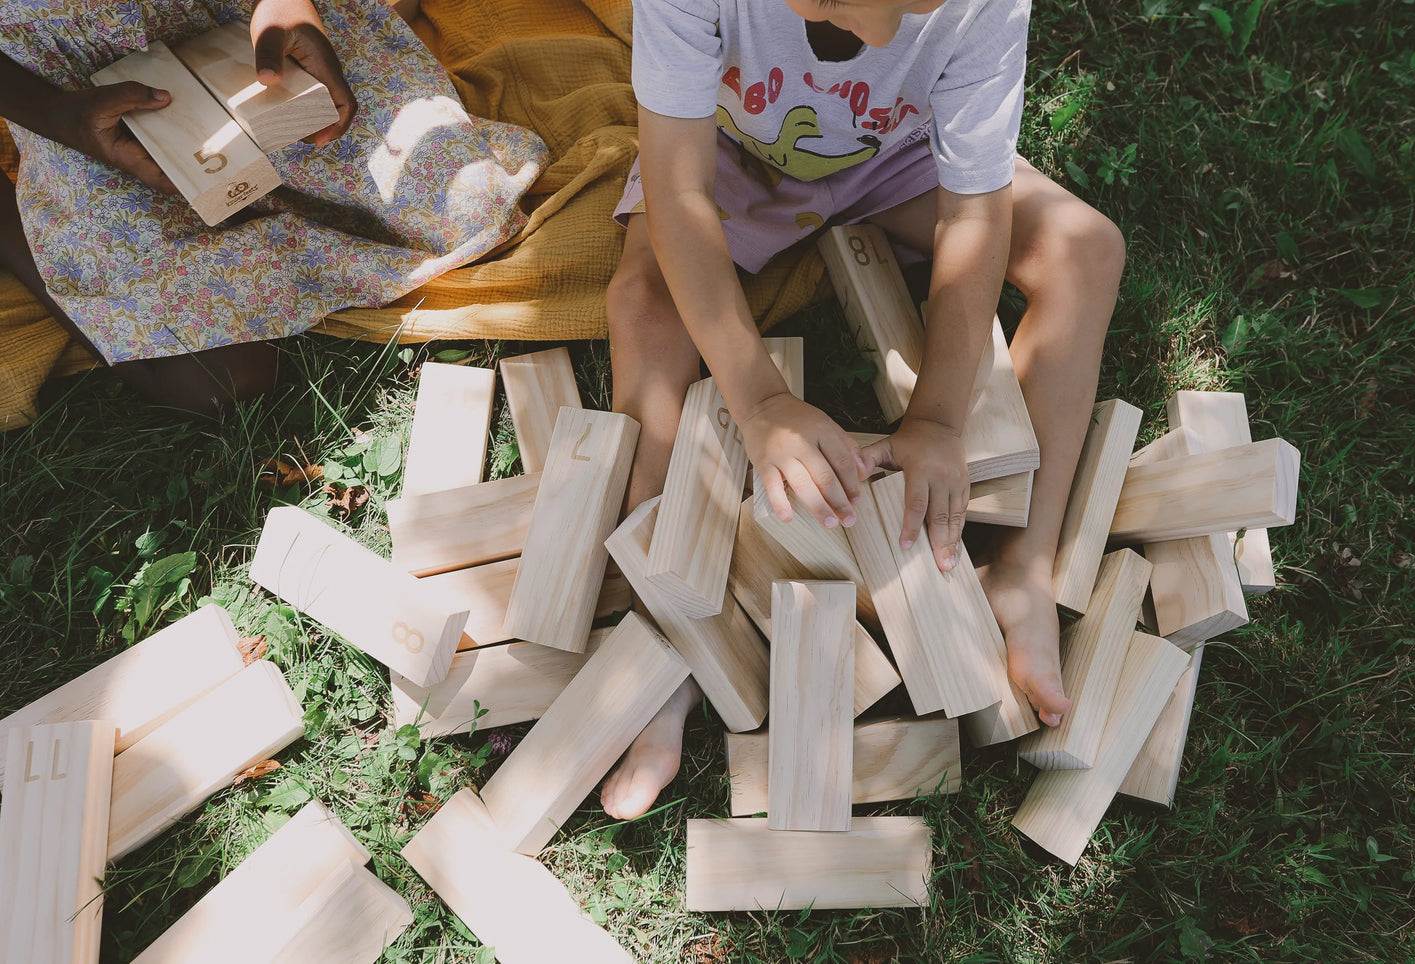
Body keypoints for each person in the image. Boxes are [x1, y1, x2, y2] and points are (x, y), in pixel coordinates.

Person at [599, 0, 1126, 820]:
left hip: (899, 157)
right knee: (642, 299)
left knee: (1084, 250)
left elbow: (973, 210)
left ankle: (1020, 568)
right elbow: (677, 190)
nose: (892, 32)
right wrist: (761, 398)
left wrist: (940, 419)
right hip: (730, 154)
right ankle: (669, 628)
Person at [0, 0, 546, 416]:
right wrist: (53, 115)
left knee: (475, 204)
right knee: (217, 380)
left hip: (240, 29)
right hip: (66, 92)